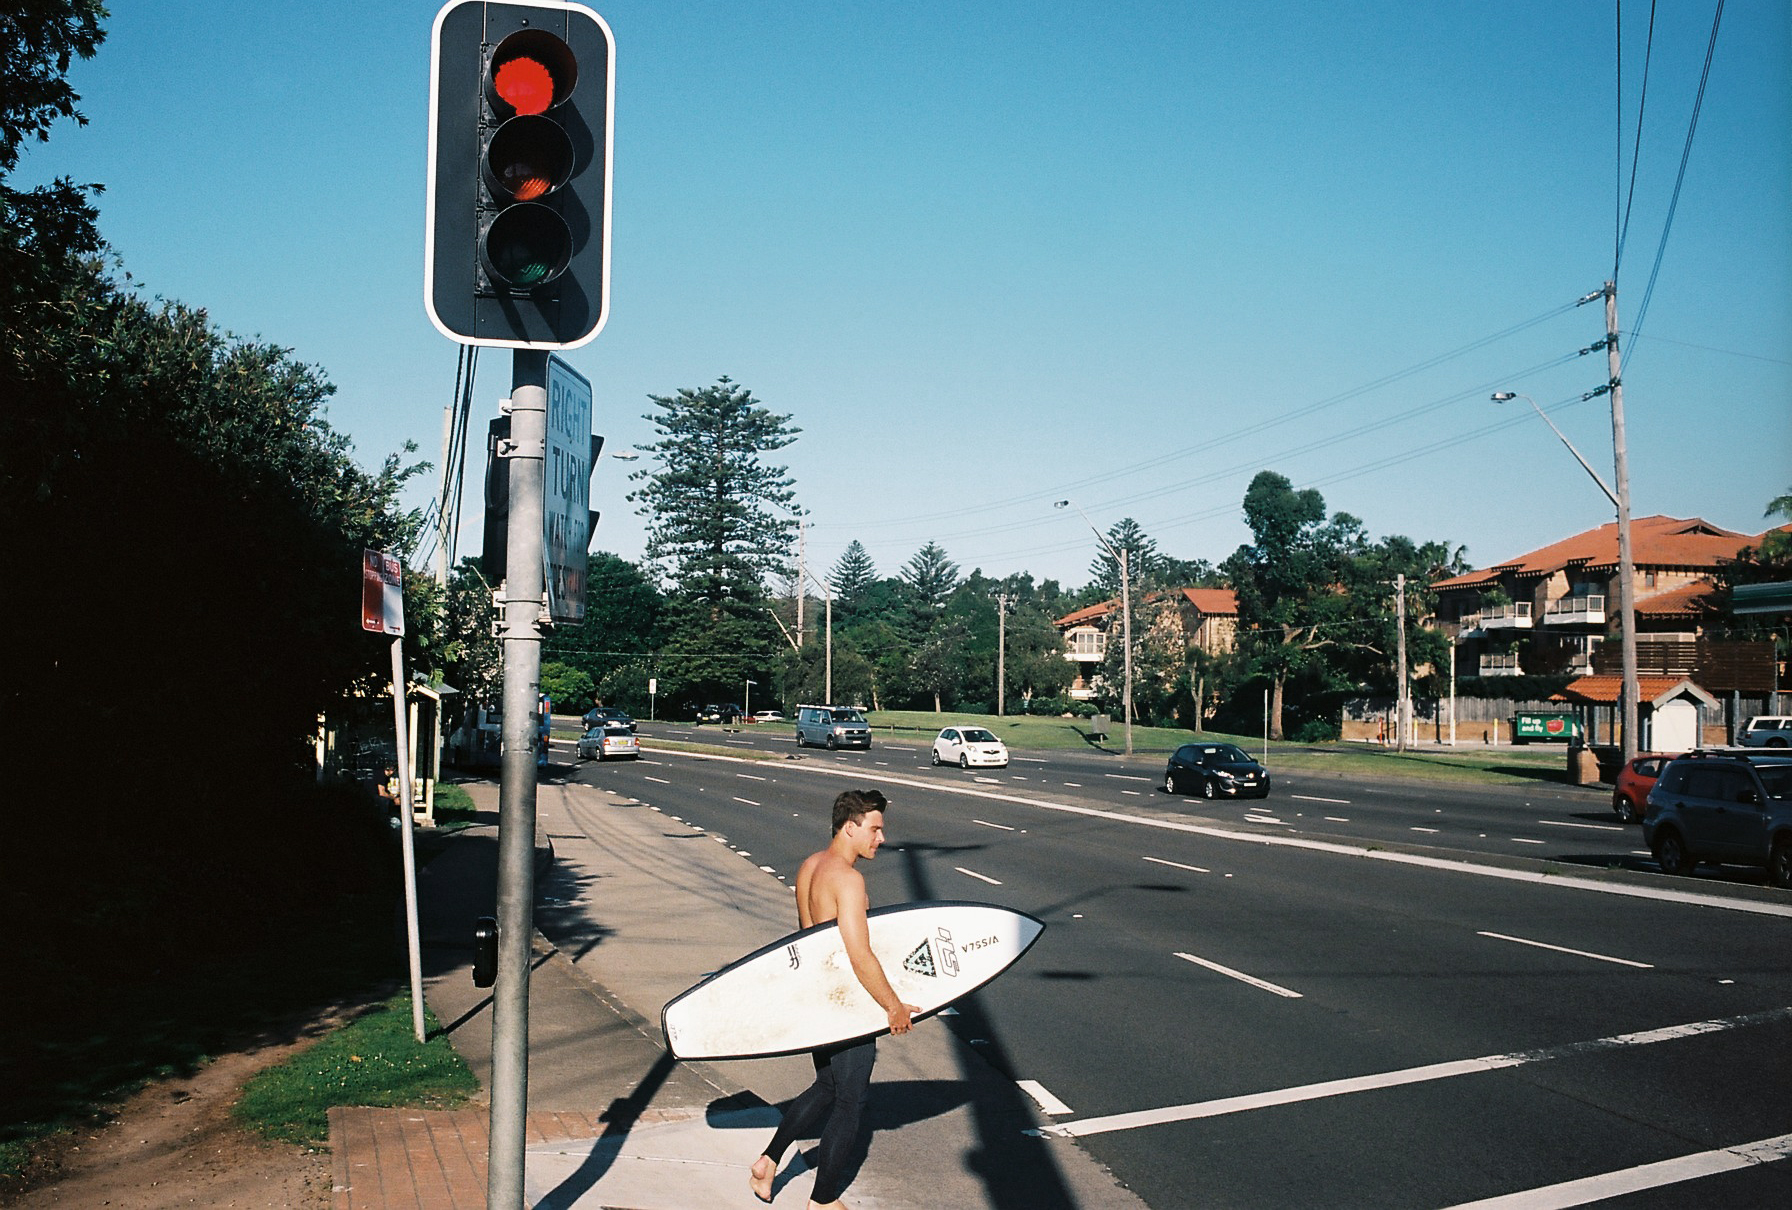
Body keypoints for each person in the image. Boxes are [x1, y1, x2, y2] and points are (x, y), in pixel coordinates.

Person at [749, 789, 919, 1209]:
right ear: (850, 826)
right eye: (875, 829)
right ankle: (823, 1202)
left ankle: (768, 1162)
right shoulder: (848, 879)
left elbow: (806, 940)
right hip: (843, 1004)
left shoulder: (810, 867)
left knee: (827, 1086)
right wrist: (892, 1006)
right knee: (851, 1100)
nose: (880, 838)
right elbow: (858, 956)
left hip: (816, 998)